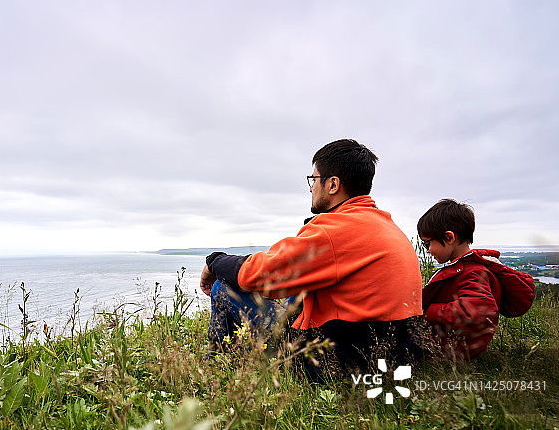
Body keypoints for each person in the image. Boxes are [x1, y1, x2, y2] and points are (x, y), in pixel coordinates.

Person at [200, 139, 424, 378]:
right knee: (298, 289)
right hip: (394, 356)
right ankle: (237, 353)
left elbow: (257, 274)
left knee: (221, 288)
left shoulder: (334, 230)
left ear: (333, 184)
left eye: (313, 179)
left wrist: (213, 261)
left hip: (339, 363)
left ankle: (214, 363)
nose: (310, 188)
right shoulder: (387, 226)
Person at [418, 199, 535, 359]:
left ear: (449, 237)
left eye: (427, 244)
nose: (428, 251)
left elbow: (476, 312)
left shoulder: (474, 272)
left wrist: (426, 311)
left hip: (449, 350)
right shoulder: (464, 268)